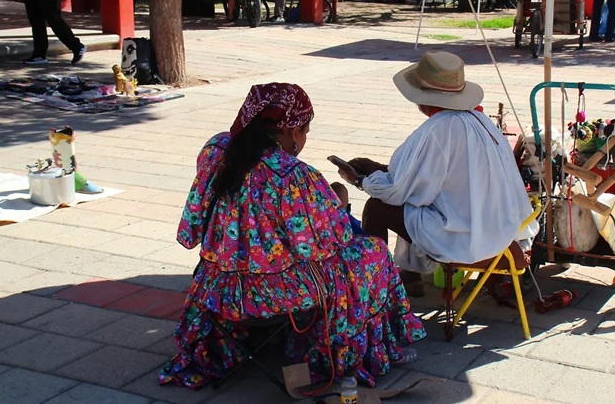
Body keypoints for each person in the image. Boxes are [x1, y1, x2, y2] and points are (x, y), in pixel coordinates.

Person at [159, 83, 425, 390]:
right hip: (277, 295)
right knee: (373, 252)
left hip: (218, 287)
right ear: (291, 130)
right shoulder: (293, 174)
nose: (303, 139)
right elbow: (331, 239)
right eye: (305, 130)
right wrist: (338, 202)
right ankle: (364, 352)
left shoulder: (215, 150)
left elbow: (194, 224)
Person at [332, 51, 537, 298]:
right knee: (414, 205)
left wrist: (359, 180)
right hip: (502, 227)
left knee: (378, 207)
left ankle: (374, 287)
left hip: (472, 237)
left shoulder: (439, 129)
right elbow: (423, 177)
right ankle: (410, 276)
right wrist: (378, 167)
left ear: (423, 97)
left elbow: (400, 191)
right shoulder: (480, 119)